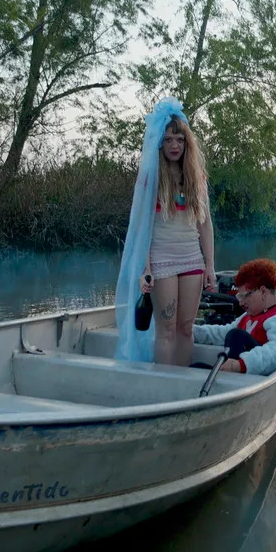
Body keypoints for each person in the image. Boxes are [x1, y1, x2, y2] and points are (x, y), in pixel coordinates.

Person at [115, 97, 216, 365]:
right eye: (169, 139)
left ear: (187, 143)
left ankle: (182, 385)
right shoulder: (151, 177)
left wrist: (210, 266)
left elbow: (205, 225)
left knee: (186, 328)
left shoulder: (197, 178)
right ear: (160, 142)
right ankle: (164, 387)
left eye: (180, 140)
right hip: (162, 260)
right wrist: (145, 267)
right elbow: (141, 226)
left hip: (192, 259)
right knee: (167, 330)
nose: (175, 145)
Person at [193, 258, 276, 375]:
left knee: (236, 335)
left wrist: (241, 365)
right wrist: (192, 331)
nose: (241, 303)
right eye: (239, 296)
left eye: (244, 296)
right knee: (196, 367)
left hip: (256, 377)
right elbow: (222, 334)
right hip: (239, 374)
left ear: (263, 291)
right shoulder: (249, 316)